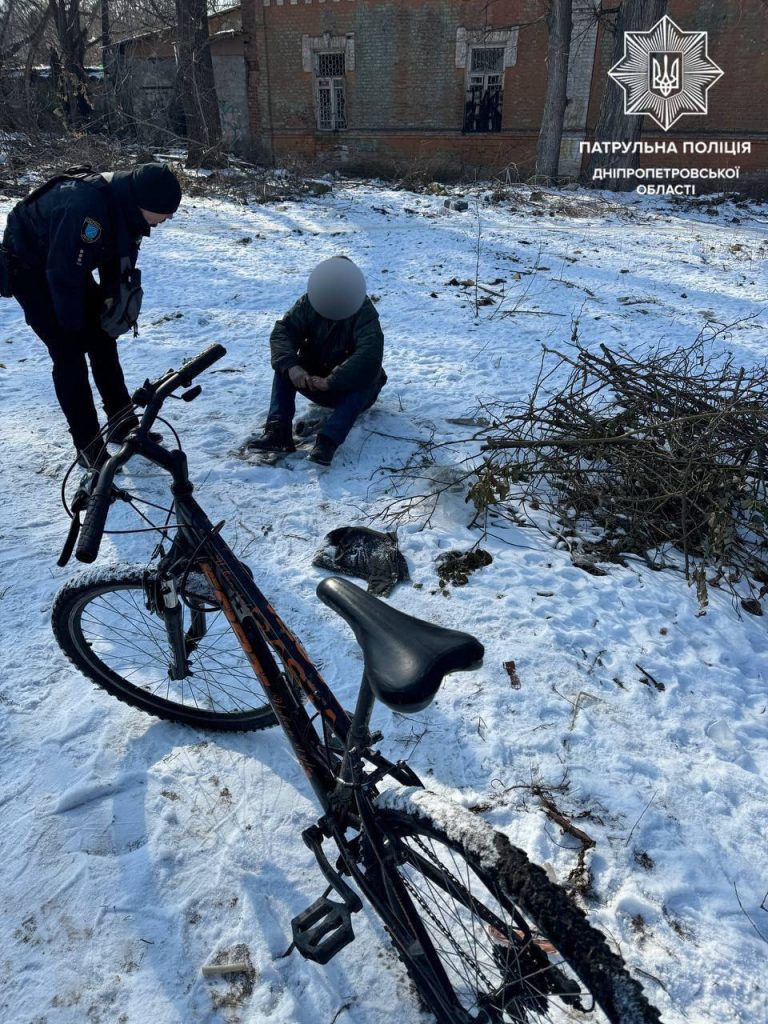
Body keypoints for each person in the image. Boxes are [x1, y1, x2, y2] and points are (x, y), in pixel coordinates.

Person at [2, 162, 182, 467]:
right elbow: (62, 273)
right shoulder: (87, 210)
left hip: (67, 261)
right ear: (145, 203)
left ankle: (122, 424)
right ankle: (88, 445)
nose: (168, 219)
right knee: (69, 353)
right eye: (165, 213)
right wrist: (71, 326)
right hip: (31, 268)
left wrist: (113, 299)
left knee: (102, 337)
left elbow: (118, 255)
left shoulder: (126, 206)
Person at [247, 256, 386, 466]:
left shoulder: (364, 313)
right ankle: (278, 432)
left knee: (370, 377)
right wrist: (293, 368)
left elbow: (369, 355)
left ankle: (328, 441)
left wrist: (333, 380)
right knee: (284, 365)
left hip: (350, 390)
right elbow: (283, 332)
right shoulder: (309, 303)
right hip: (315, 379)